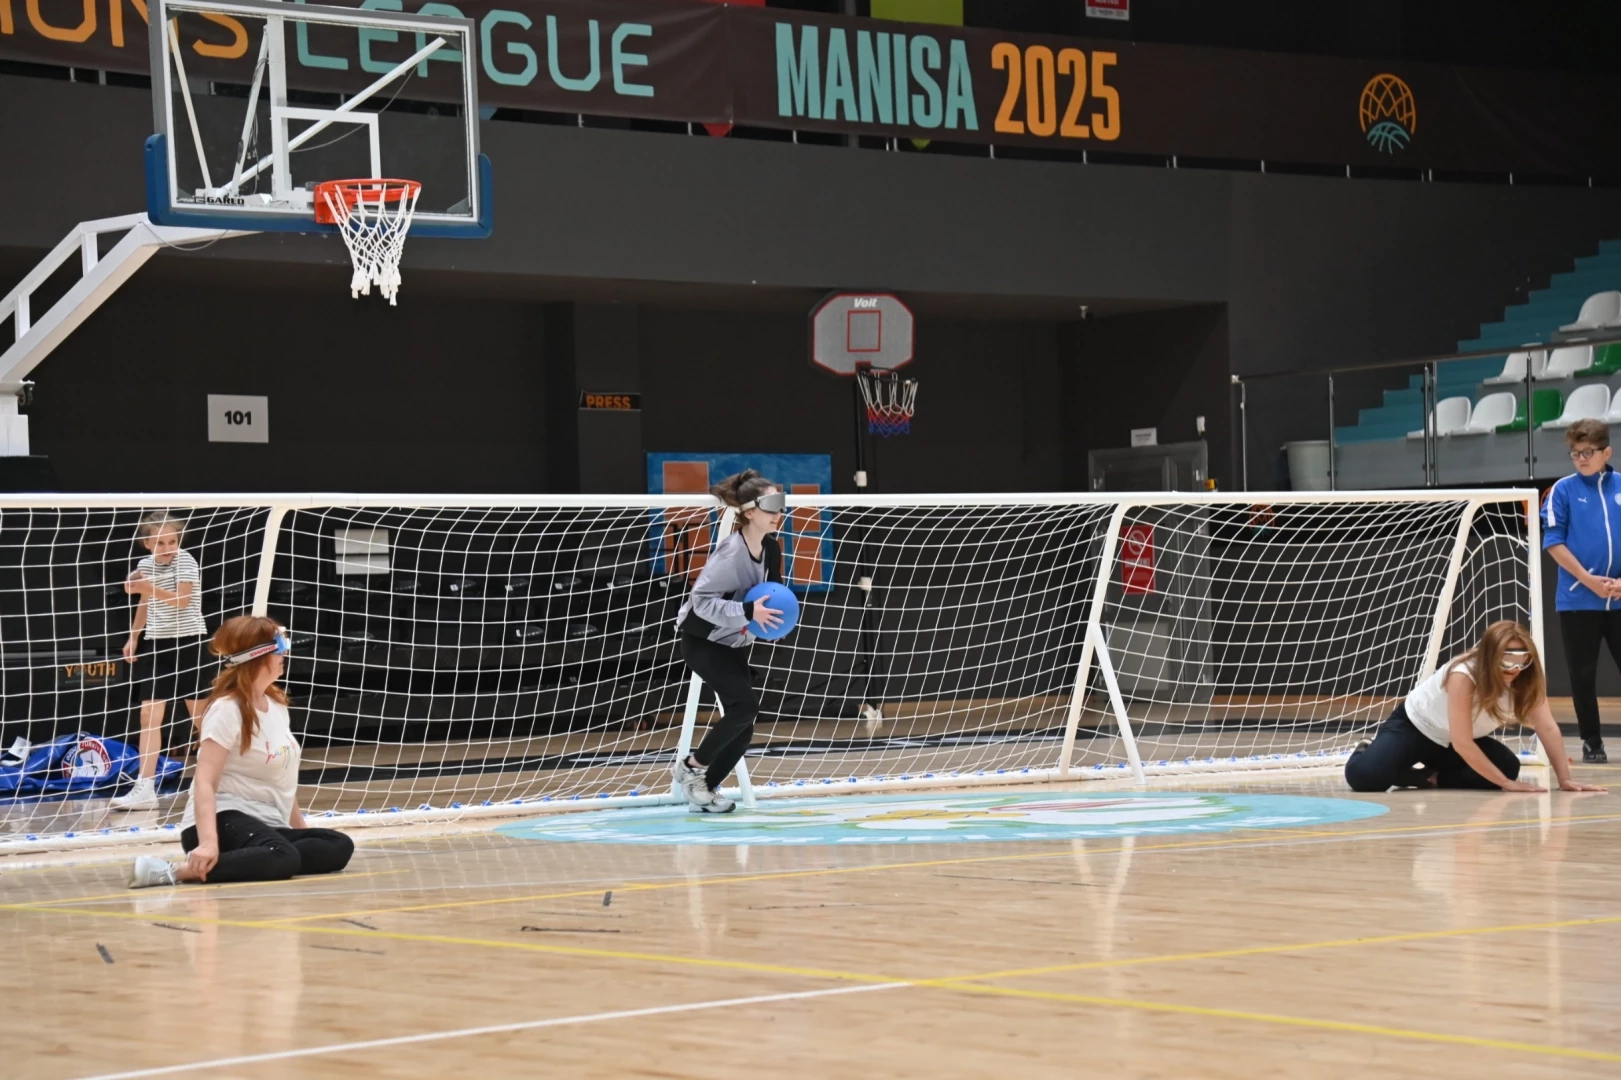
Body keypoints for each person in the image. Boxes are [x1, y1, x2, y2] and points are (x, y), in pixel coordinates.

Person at [129, 616, 354, 888]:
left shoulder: (276, 705)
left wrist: (303, 834)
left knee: (338, 845)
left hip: (265, 823)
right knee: (283, 856)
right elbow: (204, 782)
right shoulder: (227, 709)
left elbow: (282, 780)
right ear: (258, 655)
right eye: (280, 646)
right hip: (222, 819)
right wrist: (208, 842)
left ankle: (264, 857)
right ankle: (174, 871)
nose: (286, 653)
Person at [1345, 620, 1606, 794]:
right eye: (1506, 662)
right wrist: (1506, 785)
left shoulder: (1528, 680)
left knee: (1507, 767)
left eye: (1522, 661)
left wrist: (1564, 779)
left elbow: (1547, 728)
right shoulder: (1464, 675)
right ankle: (1368, 749)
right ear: (1489, 658)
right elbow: (1463, 743)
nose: (1514, 669)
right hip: (1417, 728)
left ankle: (1424, 778)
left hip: (1453, 742)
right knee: (1366, 778)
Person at [670, 470, 787, 813]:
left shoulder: (771, 548)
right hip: (703, 640)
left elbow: (772, 595)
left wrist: (773, 621)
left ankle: (703, 788)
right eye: (771, 505)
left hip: (733, 642)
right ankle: (692, 767)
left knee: (744, 725)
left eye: (781, 504)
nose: (778, 512)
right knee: (744, 708)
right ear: (749, 511)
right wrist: (748, 611)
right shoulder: (731, 552)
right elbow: (701, 602)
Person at [112, 511, 210, 810]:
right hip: (157, 644)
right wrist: (134, 637)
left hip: (189, 642)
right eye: (160, 542)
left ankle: (222, 780)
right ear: (147, 544)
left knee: (201, 718)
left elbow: (182, 600)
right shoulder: (145, 565)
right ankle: (145, 787)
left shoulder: (186, 561)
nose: (167, 547)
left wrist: (146, 587)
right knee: (148, 717)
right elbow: (144, 602)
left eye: (172, 541)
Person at [1543, 417, 1621, 764]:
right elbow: (1553, 542)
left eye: (1588, 452)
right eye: (1575, 453)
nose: (1581, 459)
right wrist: (1589, 581)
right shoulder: (1562, 490)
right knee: (1583, 675)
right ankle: (1592, 741)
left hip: (1619, 599)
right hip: (1578, 600)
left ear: (1607, 452)